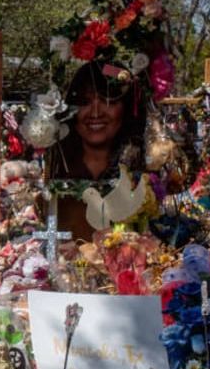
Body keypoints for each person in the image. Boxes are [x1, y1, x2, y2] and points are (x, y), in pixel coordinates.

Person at [50, 61, 147, 241]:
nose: (95, 112)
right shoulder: (54, 168)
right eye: (85, 102)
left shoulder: (143, 171)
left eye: (107, 100)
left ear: (125, 108)